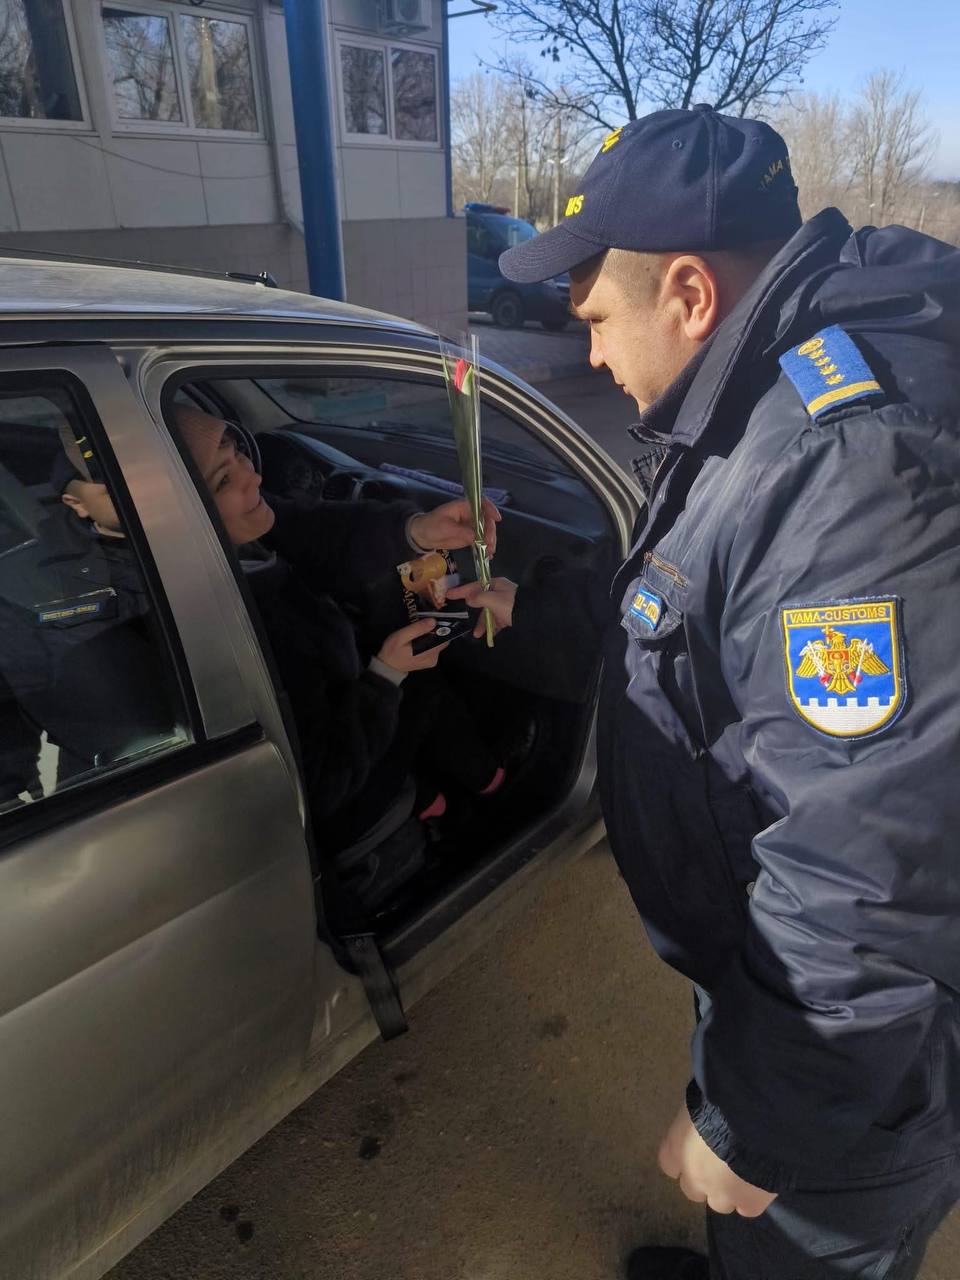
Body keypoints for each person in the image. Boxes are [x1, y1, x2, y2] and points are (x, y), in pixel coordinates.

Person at [449, 104, 960, 1279]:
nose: (589, 355)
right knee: (755, 1232)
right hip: (778, 974)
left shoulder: (843, 465)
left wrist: (753, 1120)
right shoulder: (763, 398)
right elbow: (685, 599)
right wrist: (526, 610)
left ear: (688, 292)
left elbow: (872, 864)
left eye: (593, 319)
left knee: (803, 1239)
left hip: (869, 1072)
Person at [171, 407, 507, 863]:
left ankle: (434, 798)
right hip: (336, 806)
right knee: (424, 688)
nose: (253, 477)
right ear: (182, 513)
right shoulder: (228, 629)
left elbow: (315, 530)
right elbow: (320, 784)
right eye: (224, 480)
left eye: (238, 453)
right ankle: (490, 789)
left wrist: (417, 531)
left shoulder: (238, 536)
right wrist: (385, 677)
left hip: (343, 699)